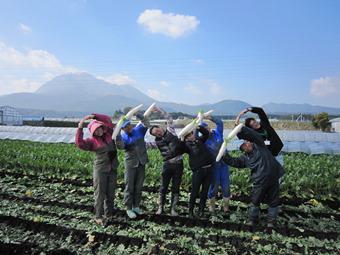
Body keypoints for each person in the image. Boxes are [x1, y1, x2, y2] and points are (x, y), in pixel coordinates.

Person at [221, 125, 283, 228]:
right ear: (244, 150)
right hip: (260, 180)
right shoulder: (246, 158)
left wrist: (242, 129)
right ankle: (253, 220)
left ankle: (271, 222)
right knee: (255, 200)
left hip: (273, 176)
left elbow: (254, 134)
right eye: (245, 145)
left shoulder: (260, 145)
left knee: (273, 200)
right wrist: (224, 156)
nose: (248, 143)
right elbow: (235, 162)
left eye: (247, 142)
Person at [75, 113, 119, 225]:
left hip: (112, 169)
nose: (99, 131)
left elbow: (108, 119)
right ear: (92, 132)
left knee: (111, 193)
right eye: (96, 130)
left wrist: (94, 116)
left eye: (100, 128)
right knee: (100, 194)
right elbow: (79, 143)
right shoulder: (91, 142)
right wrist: (80, 127)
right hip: (101, 170)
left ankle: (109, 214)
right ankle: (98, 216)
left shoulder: (109, 134)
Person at [149, 108, 184, 216]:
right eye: (155, 134)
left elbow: (169, 118)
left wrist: (160, 110)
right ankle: (161, 207)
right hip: (167, 165)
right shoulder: (156, 142)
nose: (157, 134)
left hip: (178, 165)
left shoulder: (171, 130)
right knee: (163, 187)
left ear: (160, 127)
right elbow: (145, 145)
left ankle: (173, 209)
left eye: (157, 131)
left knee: (175, 187)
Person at [116, 112, 150, 219]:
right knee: (129, 186)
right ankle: (128, 208)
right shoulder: (123, 137)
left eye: (128, 125)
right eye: (125, 127)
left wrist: (138, 114)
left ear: (131, 124)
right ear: (122, 129)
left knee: (138, 186)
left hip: (141, 162)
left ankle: (136, 205)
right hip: (131, 164)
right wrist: (116, 135)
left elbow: (146, 123)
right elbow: (121, 147)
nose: (127, 127)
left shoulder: (138, 130)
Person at [235, 107, 285, 178]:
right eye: (252, 125)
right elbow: (239, 134)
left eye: (254, 122)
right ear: (251, 128)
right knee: (272, 177)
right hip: (269, 158)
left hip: (279, 154)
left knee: (280, 175)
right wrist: (238, 117)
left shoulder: (265, 124)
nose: (255, 124)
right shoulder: (254, 135)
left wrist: (248, 109)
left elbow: (260, 111)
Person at [177, 125, 213, 218]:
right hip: (198, 171)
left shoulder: (200, 140)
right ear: (186, 139)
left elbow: (206, 133)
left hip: (208, 170)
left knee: (204, 192)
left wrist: (198, 126)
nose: (191, 136)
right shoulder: (186, 146)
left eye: (191, 134)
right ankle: (190, 211)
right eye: (188, 136)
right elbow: (180, 149)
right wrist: (181, 139)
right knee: (194, 192)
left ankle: (201, 211)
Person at [200, 116, 231, 213]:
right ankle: (212, 206)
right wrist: (197, 125)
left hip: (224, 164)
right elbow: (194, 135)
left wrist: (211, 118)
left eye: (206, 128)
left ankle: (226, 207)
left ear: (209, 127)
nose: (206, 130)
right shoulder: (203, 140)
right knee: (214, 185)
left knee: (226, 186)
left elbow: (220, 123)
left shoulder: (217, 133)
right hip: (214, 165)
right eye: (203, 129)